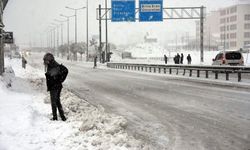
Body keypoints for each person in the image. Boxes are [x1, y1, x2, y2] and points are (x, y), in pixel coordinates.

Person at [43, 53, 67, 121]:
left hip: (55, 86)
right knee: (57, 101)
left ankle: (55, 117)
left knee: (54, 102)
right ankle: (62, 117)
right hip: (56, 86)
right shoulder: (53, 65)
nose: (45, 62)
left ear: (49, 59)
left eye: (45, 60)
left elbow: (53, 76)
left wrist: (59, 80)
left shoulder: (53, 66)